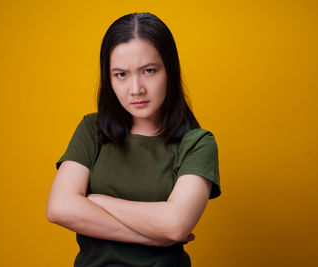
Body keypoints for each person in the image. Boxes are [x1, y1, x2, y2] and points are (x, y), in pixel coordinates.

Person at [46, 12, 221, 267]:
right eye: (121, 75)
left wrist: (95, 201)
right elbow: (59, 207)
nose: (136, 88)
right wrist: (151, 237)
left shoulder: (196, 143)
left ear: (170, 70)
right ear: (108, 78)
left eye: (148, 71)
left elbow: (175, 225)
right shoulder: (92, 130)